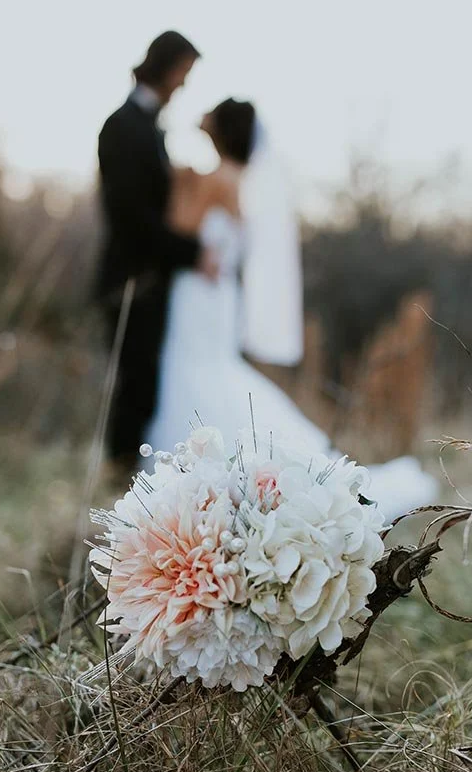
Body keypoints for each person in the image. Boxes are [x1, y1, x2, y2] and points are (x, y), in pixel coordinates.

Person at [145, 99, 438, 521]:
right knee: (206, 369)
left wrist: (178, 183)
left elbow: (180, 227)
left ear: (222, 131)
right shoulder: (241, 178)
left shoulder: (216, 179)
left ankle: (191, 471)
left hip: (198, 293)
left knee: (195, 369)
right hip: (215, 294)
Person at [96, 31, 216, 478]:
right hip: (132, 281)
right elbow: (131, 218)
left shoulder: (147, 127)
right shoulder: (123, 126)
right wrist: (192, 250)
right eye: (183, 73)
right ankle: (118, 477)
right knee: (135, 384)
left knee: (144, 384)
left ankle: (127, 475)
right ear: (165, 68)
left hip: (151, 279)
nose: (184, 85)